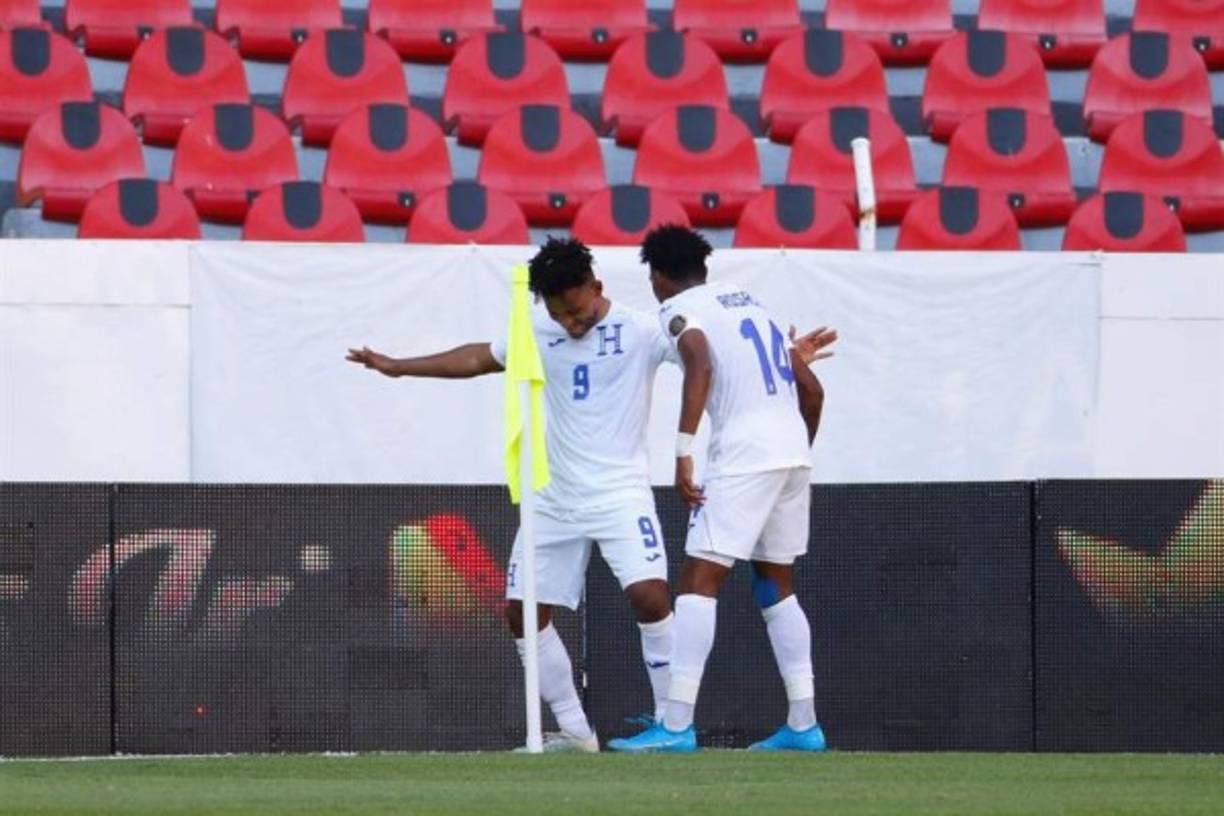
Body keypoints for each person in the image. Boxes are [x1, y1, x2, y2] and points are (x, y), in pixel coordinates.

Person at [347, 238, 676, 753]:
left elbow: (702, 352)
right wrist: (400, 366)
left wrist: (785, 358)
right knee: (521, 612)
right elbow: (479, 357)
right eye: (559, 314)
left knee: (650, 597)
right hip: (553, 496)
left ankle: (671, 724)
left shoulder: (641, 330)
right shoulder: (536, 331)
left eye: (577, 311)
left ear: (597, 287)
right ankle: (575, 731)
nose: (570, 323)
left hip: (620, 492)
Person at [609, 225, 833, 753]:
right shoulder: (754, 305)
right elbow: (812, 391)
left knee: (698, 581)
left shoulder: (678, 309)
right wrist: (792, 449)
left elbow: (700, 360)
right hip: (792, 454)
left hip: (743, 456)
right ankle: (804, 725)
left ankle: (676, 726)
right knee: (775, 586)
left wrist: (683, 449)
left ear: (657, 277)